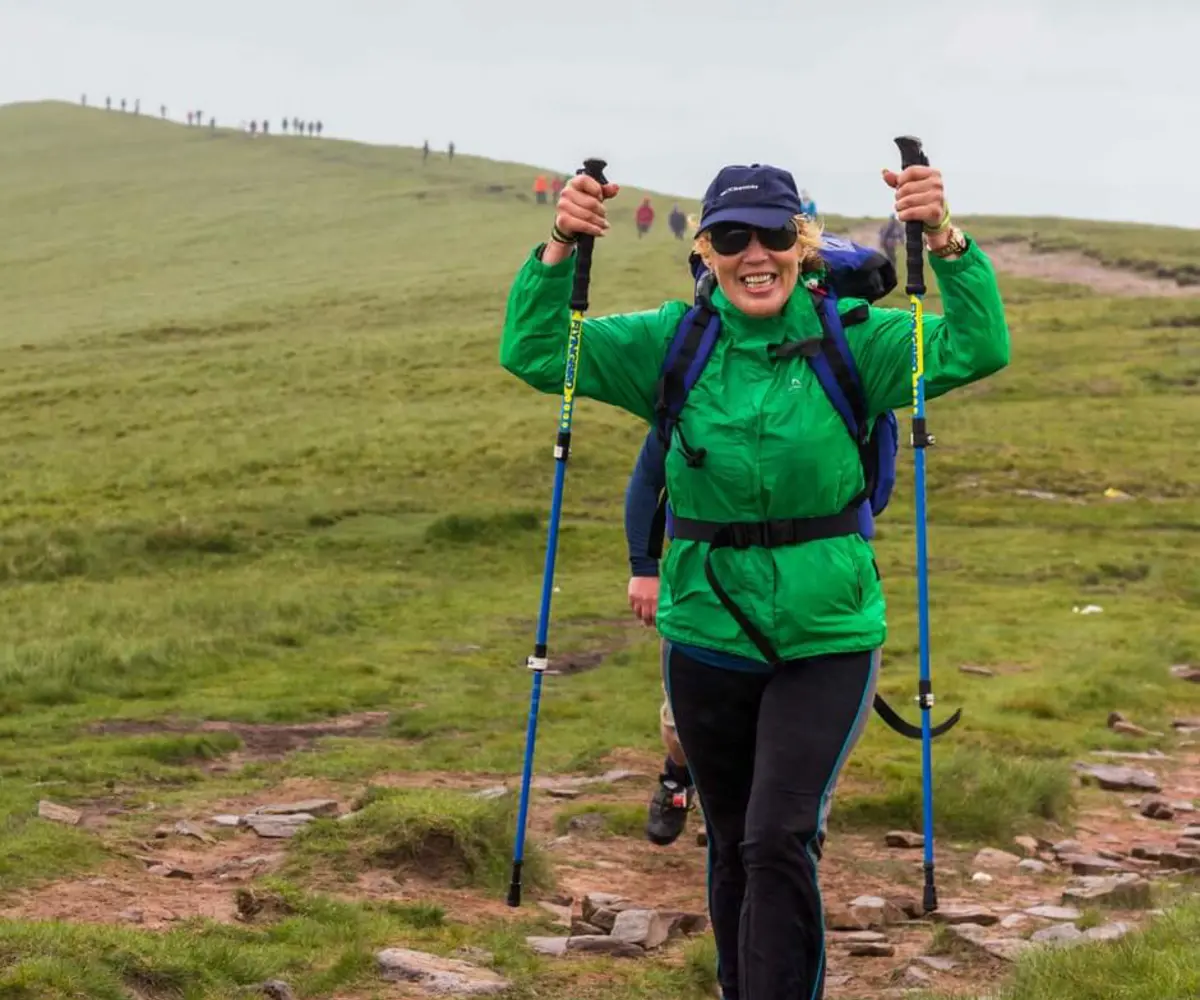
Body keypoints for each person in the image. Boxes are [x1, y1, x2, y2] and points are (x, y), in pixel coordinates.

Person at [500, 160, 1009, 1000]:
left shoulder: (860, 343)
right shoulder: (672, 342)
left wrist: (946, 241)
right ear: (706, 250)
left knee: (778, 836)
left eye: (775, 233)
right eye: (732, 237)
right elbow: (533, 352)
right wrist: (560, 244)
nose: (755, 253)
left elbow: (977, 345)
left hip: (828, 635)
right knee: (735, 837)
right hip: (706, 631)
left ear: (803, 245)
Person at [623, 428, 696, 846]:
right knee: (683, 724)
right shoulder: (690, 387)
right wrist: (643, 567)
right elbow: (648, 480)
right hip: (696, 582)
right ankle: (678, 778)